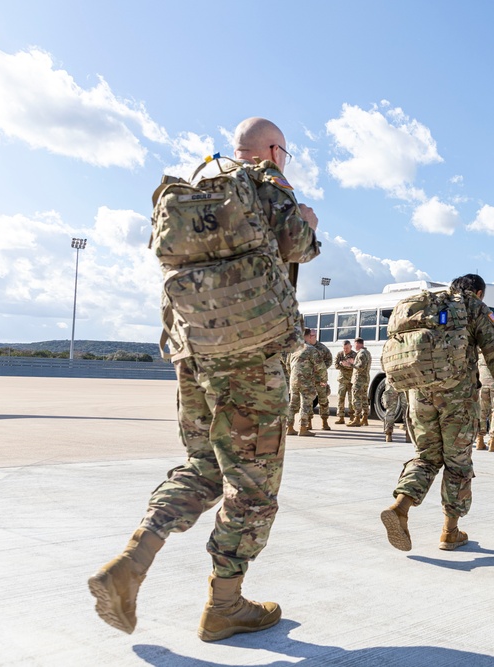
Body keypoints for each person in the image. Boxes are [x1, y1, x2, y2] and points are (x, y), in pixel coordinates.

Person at [88, 117, 320, 640]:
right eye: (284, 152)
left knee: (203, 464)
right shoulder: (266, 183)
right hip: (252, 359)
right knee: (253, 487)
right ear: (273, 150)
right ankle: (225, 605)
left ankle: (133, 559)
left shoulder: (193, 185)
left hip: (193, 355)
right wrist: (304, 217)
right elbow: (299, 247)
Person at [380, 274, 494, 552]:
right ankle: (450, 532)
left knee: (427, 457)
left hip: (419, 394)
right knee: (457, 464)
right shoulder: (473, 307)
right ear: (479, 293)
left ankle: (400, 506)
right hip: (457, 398)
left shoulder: (426, 307)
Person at [287, 328, 327, 437]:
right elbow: (321, 367)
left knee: (293, 403)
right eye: (313, 336)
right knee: (305, 403)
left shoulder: (294, 349)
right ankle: (303, 428)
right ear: (308, 337)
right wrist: (323, 380)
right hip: (305, 380)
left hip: (293, 380)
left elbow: (288, 365)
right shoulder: (311, 349)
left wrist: (294, 376)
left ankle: (289, 427)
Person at [475, 352, 494, 451]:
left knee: (481, 411)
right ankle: (493, 441)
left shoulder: (479, 353)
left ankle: (479, 440)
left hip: (482, 384)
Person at [346, 338, 371, 427]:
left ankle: (357, 419)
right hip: (365, 379)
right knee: (364, 398)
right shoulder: (367, 352)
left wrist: (351, 364)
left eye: (355, 344)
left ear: (359, 344)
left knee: (356, 398)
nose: (354, 346)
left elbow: (361, 367)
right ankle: (364, 418)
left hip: (359, 380)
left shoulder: (361, 353)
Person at [311, 334, 334, 430]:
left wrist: (322, 369)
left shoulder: (322, 348)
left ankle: (324, 422)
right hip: (308, 379)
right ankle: (308, 422)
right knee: (308, 401)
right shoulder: (303, 347)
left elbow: (329, 360)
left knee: (323, 400)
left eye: (312, 335)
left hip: (320, 379)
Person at [333, 340, 356, 424]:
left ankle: (352, 416)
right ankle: (340, 417)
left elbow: (355, 366)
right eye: (344, 348)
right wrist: (344, 364)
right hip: (342, 380)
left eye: (347, 348)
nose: (345, 350)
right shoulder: (340, 354)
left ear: (350, 347)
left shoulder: (354, 355)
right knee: (340, 399)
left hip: (351, 380)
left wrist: (347, 365)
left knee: (351, 400)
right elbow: (336, 365)